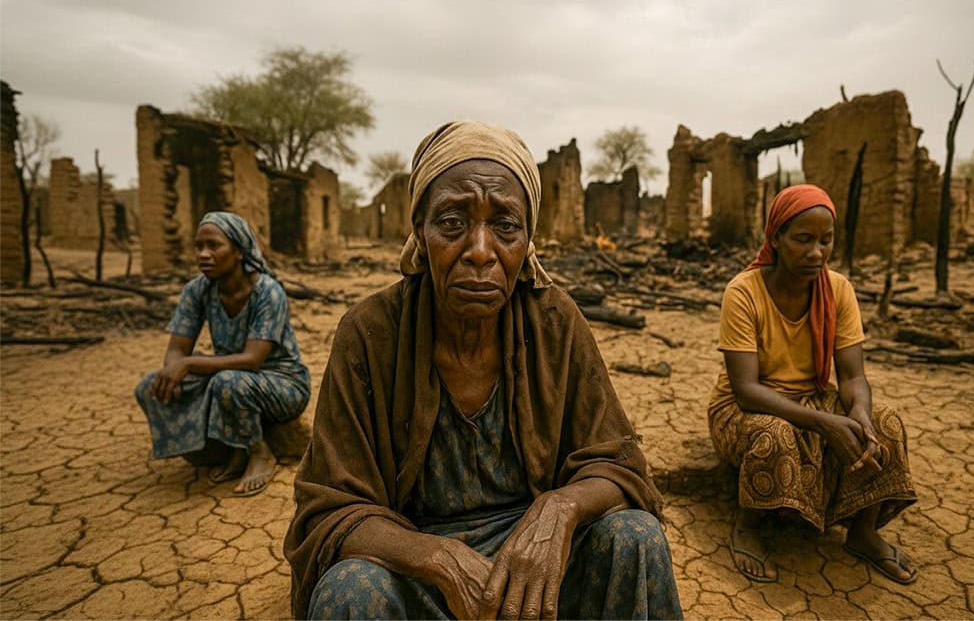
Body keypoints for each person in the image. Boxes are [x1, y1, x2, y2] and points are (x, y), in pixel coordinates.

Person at [284, 121, 682, 620]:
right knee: (351, 592)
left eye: (505, 227)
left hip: (537, 560)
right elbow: (330, 510)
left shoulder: (554, 322)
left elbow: (618, 465)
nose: (479, 250)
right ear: (420, 231)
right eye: (452, 222)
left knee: (635, 536)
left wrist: (559, 508)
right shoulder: (370, 332)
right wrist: (438, 558)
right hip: (417, 564)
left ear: (529, 239)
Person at [708, 184, 918, 585]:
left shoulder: (838, 290)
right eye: (803, 239)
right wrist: (824, 424)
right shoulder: (744, 292)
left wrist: (859, 413)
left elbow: (853, 376)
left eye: (826, 240)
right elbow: (746, 390)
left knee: (884, 423)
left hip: (813, 398)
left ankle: (863, 533)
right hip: (745, 408)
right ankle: (748, 526)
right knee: (775, 434)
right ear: (776, 238)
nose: (817, 253)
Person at [134, 212, 310, 497]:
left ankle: (260, 453)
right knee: (151, 386)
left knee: (227, 382)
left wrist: (188, 364)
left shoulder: (268, 292)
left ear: (239, 251)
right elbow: (177, 349)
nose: (203, 254)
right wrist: (174, 370)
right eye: (198, 246)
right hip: (227, 376)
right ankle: (220, 449)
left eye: (214, 245)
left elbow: (251, 360)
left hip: (282, 383)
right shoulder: (197, 290)